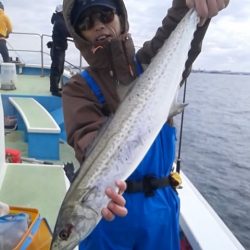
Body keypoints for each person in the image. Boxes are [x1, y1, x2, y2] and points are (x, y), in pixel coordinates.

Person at [62, 0, 229, 249]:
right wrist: (101, 183)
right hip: (110, 218)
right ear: (79, 34)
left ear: (120, 16)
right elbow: (86, 137)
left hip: (161, 212)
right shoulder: (78, 87)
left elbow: (176, 24)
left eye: (105, 15)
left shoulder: (150, 62)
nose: (98, 26)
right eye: (86, 22)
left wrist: (194, 5)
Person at [48, 4, 70, 97]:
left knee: (58, 69)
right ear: (62, 12)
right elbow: (67, 32)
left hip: (58, 47)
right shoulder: (60, 22)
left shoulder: (58, 20)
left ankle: (54, 87)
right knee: (56, 69)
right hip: (58, 48)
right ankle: (54, 90)